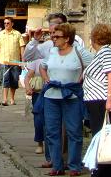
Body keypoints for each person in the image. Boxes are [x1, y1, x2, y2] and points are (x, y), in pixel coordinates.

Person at [39, 23, 93, 176]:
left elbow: (93, 65)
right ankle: (57, 166)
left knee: (74, 131)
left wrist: (81, 79)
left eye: (57, 36)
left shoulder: (78, 51)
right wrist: (46, 79)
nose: (53, 38)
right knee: (52, 132)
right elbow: (42, 66)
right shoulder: (52, 51)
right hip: (51, 97)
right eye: (53, 36)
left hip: (71, 96)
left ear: (67, 38)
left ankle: (74, 166)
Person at [83, 23, 111, 177]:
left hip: (102, 101)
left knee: (103, 138)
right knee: (101, 137)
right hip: (96, 101)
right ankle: (101, 171)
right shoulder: (101, 53)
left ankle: (103, 172)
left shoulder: (106, 52)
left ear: (95, 38)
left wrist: (109, 99)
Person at [0, 17, 25, 105]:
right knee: (5, 80)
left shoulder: (17, 34)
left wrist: (23, 61)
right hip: (3, 61)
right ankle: (4, 100)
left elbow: (22, 47)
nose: (6, 25)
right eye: (5, 23)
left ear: (12, 24)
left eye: (8, 23)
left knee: (14, 81)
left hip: (15, 62)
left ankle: (12, 99)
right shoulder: (0, 34)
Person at [25, 57, 47, 157]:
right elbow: (28, 76)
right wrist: (28, 87)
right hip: (39, 92)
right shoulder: (37, 59)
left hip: (54, 91)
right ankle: (40, 143)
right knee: (38, 119)